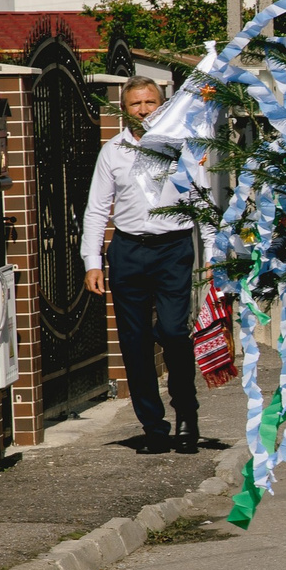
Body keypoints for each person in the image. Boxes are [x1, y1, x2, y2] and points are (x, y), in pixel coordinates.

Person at [81, 77, 200, 455]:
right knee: (133, 343)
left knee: (173, 333)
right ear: (124, 109)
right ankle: (154, 428)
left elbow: (202, 198)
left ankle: (187, 415)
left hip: (173, 248)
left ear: (162, 105)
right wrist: (92, 261)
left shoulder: (179, 146)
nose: (144, 109)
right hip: (128, 250)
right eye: (136, 104)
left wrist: (215, 251)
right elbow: (98, 209)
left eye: (150, 102)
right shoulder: (112, 151)